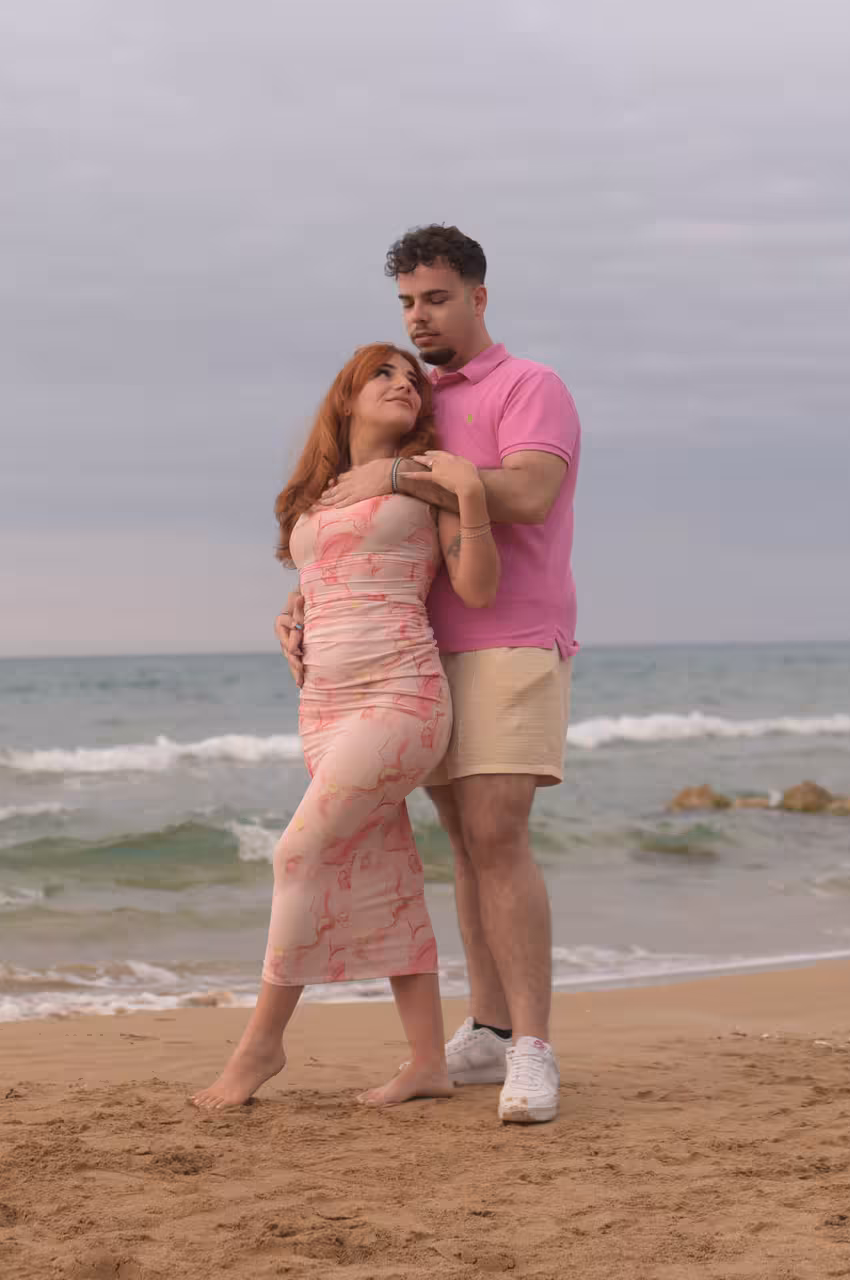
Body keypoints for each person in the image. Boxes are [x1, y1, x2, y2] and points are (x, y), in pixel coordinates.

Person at [277, 225, 580, 1125]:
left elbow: (526, 494)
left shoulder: (531, 386)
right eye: (408, 303)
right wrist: (305, 602)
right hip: (414, 649)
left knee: (498, 831)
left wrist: (403, 476)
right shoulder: (425, 400)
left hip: (512, 634)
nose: (420, 319)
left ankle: (533, 1047)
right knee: (460, 841)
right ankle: (486, 1030)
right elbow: (364, 526)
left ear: (479, 298)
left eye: (437, 299)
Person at [192, 343, 498, 1111]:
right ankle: (428, 1061)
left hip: (402, 697)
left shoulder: (426, 476)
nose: (403, 384)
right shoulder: (315, 495)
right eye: (383, 374)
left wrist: (470, 498)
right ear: (347, 397)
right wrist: (293, 612)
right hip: (324, 704)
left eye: (411, 378)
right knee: (385, 871)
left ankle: (261, 1046)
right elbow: (324, 579)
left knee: (297, 853)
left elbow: (478, 588)